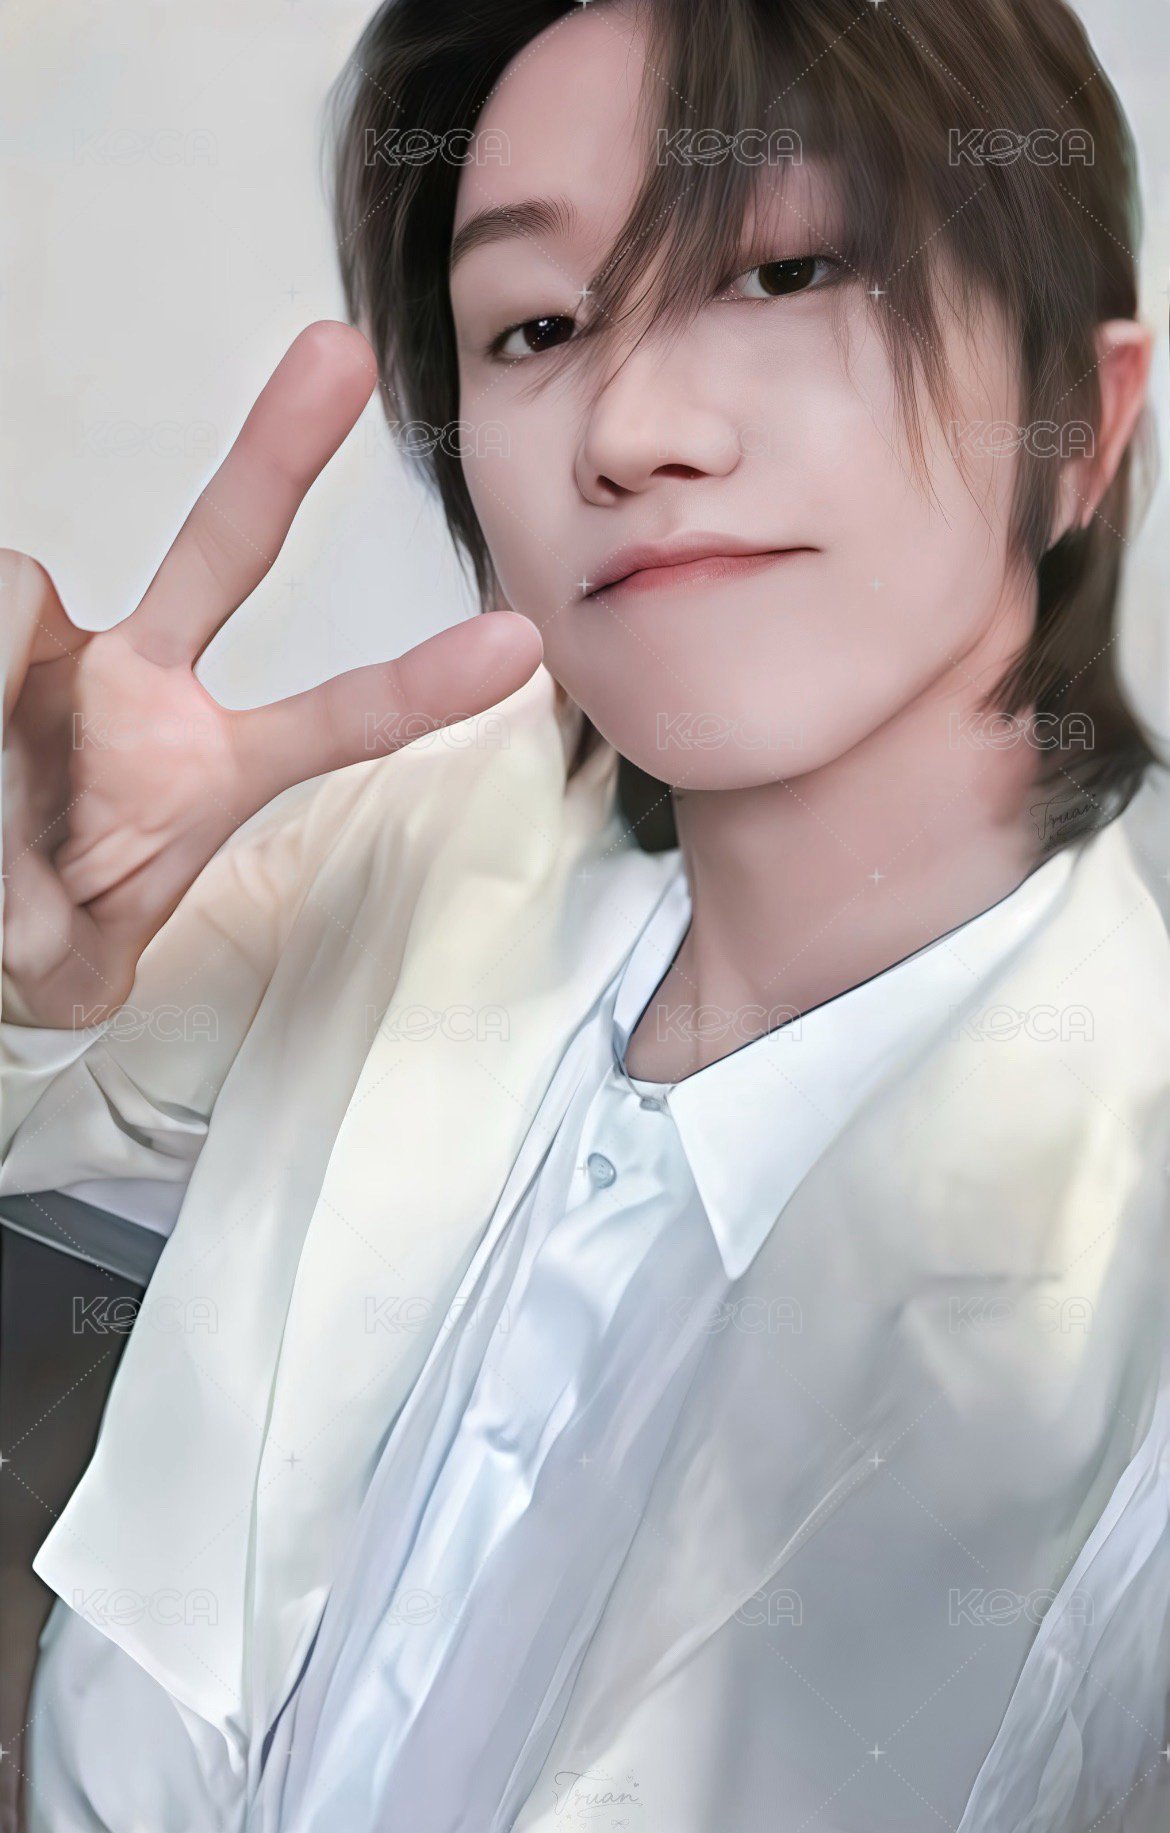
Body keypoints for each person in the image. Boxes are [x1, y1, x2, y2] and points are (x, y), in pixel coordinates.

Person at [2, 0, 1168, 1826]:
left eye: (782, 270)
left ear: (1077, 422)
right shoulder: (422, 841)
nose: (626, 428)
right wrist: (33, 956)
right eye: (536, 326)